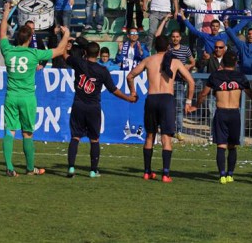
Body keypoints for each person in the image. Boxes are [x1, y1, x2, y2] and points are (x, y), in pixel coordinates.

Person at [0, 3, 71, 177]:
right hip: (27, 97)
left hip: (11, 96)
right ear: (30, 39)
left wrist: (6, 12)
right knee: (27, 133)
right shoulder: (34, 54)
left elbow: (2, 33)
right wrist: (66, 34)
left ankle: (9, 167)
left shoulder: (8, 51)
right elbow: (59, 50)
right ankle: (30, 169)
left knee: (9, 131)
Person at [127, 35, 195, 182]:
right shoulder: (175, 62)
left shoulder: (148, 60)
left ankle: (147, 172)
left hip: (152, 98)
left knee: (150, 135)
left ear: (154, 47)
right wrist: (188, 101)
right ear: (168, 47)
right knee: (166, 137)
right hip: (166, 99)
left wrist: (133, 92)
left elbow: (130, 76)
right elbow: (191, 81)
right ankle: (165, 174)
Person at [65, 42, 137, 178]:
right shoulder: (102, 70)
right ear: (98, 54)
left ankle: (71, 168)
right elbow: (113, 90)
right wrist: (128, 98)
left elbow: (64, 55)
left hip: (78, 105)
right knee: (94, 139)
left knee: (75, 137)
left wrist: (65, 39)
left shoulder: (79, 63)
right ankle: (93, 171)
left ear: (85, 52)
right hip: (93, 108)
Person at [189, 50, 252, 184]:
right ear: (235, 63)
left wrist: (196, 105)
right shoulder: (240, 77)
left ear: (223, 62)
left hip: (221, 112)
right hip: (234, 113)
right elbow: (251, 94)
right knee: (232, 146)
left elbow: (203, 93)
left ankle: (222, 175)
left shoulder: (216, 76)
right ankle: (230, 174)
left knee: (221, 145)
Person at [155, 15, 196, 142]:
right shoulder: (167, 48)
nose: (175, 39)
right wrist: (164, 20)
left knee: (178, 107)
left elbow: (193, 61)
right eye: (173, 37)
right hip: (167, 81)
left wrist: (188, 66)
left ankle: (179, 131)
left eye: (177, 37)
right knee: (165, 106)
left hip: (179, 82)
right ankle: (164, 128)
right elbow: (157, 36)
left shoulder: (185, 49)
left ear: (180, 38)